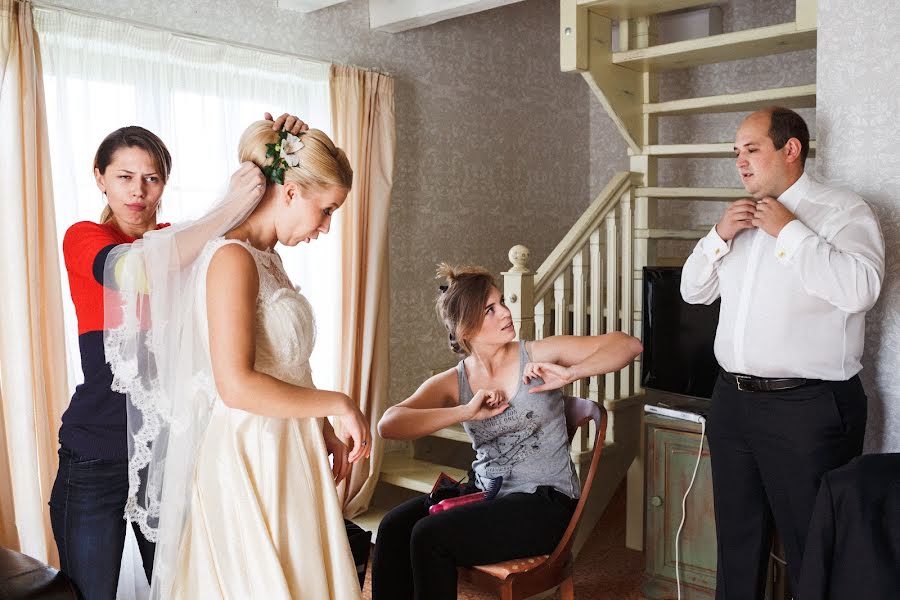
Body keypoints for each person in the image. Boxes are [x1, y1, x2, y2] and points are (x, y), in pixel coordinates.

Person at [104, 120, 371, 599]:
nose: (326, 227)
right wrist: (339, 403)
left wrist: (323, 427)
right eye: (325, 210)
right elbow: (236, 384)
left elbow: (288, 366)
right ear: (290, 192)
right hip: (253, 450)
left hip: (290, 443)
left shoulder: (270, 258)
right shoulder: (231, 258)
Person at [49, 114, 312, 598]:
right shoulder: (86, 237)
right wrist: (228, 205)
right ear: (99, 178)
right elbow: (136, 272)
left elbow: (249, 233)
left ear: (164, 184)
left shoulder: (191, 243)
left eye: (151, 178)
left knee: (185, 588)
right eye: (124, 177)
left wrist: (281, 142)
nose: (138, 192)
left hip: (168, 458)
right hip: (95, 457)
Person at [680, 106, 885, 598]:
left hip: (807, 409)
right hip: (733, 402)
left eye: (752, 150)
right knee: (737, 539)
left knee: (814, 545)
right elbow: (692, 291)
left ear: (790, 149)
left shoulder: (843, 211)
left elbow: (861, 290)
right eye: (736, 154)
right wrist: (718, 236)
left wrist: (790, 231)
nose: (741, 163)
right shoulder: (739, 219)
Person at [371, 264, 642, 600]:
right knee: (395, 526)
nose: (505, 312)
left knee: (430, 535)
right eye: (490, 309)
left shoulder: (538, 353)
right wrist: (465, 411)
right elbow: (389, 423)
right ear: (465, 328)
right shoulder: (455, 380)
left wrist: (570, 374)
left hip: (545, 503)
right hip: (486, 494)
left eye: (501, 302)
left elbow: (627, 345)